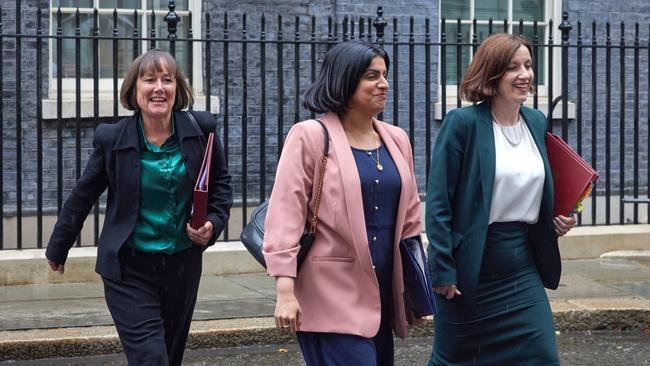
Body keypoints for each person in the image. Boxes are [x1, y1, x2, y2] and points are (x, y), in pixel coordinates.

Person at [45, 49, 232, 366]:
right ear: (134, 89)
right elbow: (83, 194)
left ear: (177, 89)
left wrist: (213, 223)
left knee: (168, 357)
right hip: (129, 268)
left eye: (167, 80)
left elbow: (221, 185)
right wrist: (58, 245)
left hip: (182, 265)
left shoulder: (201, 131)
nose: (159, 87)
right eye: (150, 80)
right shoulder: (113, 138)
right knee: (151, 358)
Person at [262, 41, 422, 366]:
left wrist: (414, 287)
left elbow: (410, 222)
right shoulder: (309, 135)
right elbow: (285, 216)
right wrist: (284, 291)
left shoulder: (397, 139)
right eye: (371, 75)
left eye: (385, 75)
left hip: (382, 295)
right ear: (345, 80)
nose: (384, 83)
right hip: (330, 297)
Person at [425, 33, 577, 365]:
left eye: (528, 65)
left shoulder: (536, 122)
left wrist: (558, 217)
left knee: (542, 357)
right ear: (492, 74)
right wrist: (443, 271)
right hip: (469, 271)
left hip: (521, 269)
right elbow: (438, 204)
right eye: (513, 67)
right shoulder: (462, 124)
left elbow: (535, 188)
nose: (525, 74)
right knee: (454, 359)